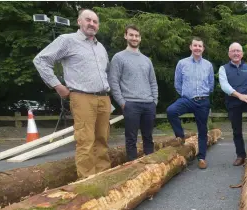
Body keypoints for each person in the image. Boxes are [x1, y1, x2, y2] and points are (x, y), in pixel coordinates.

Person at [33, 9, 112, 178]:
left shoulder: (101, 48)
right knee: (86, 140)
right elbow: (40, 60)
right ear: (79, 21)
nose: (92, 24)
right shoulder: (67, 41)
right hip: (82, 97)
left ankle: (105, 177)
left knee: (102, 139)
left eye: (95, 21)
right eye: (88, 20)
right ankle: (88, 181)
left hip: (103, 98)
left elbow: (105, 72)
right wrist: (56, 85)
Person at [108, 24, 159, 162]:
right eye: (131, 35)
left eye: (137, 36)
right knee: (131, 138)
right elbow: (114, 82)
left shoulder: (146, 60)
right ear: (126, 36)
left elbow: (153, 82)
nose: (134, 38)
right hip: (131, 104)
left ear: (140, 38)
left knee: (148, 137)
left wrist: (154, 101)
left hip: (148, 104)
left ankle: (151, 165)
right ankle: (133, 166)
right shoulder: (118, 58)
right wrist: (122, 103)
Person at [166, 37, 214, 169]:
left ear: (203, 48)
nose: (197, 48)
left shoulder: (208, 65)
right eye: (195, 45)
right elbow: (177, 83)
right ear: (191, 47)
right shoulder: (182, 63)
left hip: (203, 100)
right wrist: (185, 94)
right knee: (171, 111)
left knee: (202, 130)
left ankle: (202, 158)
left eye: (200, 46)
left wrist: (204, 94)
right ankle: (180, 136)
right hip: (187, 99)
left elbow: (211, 85)